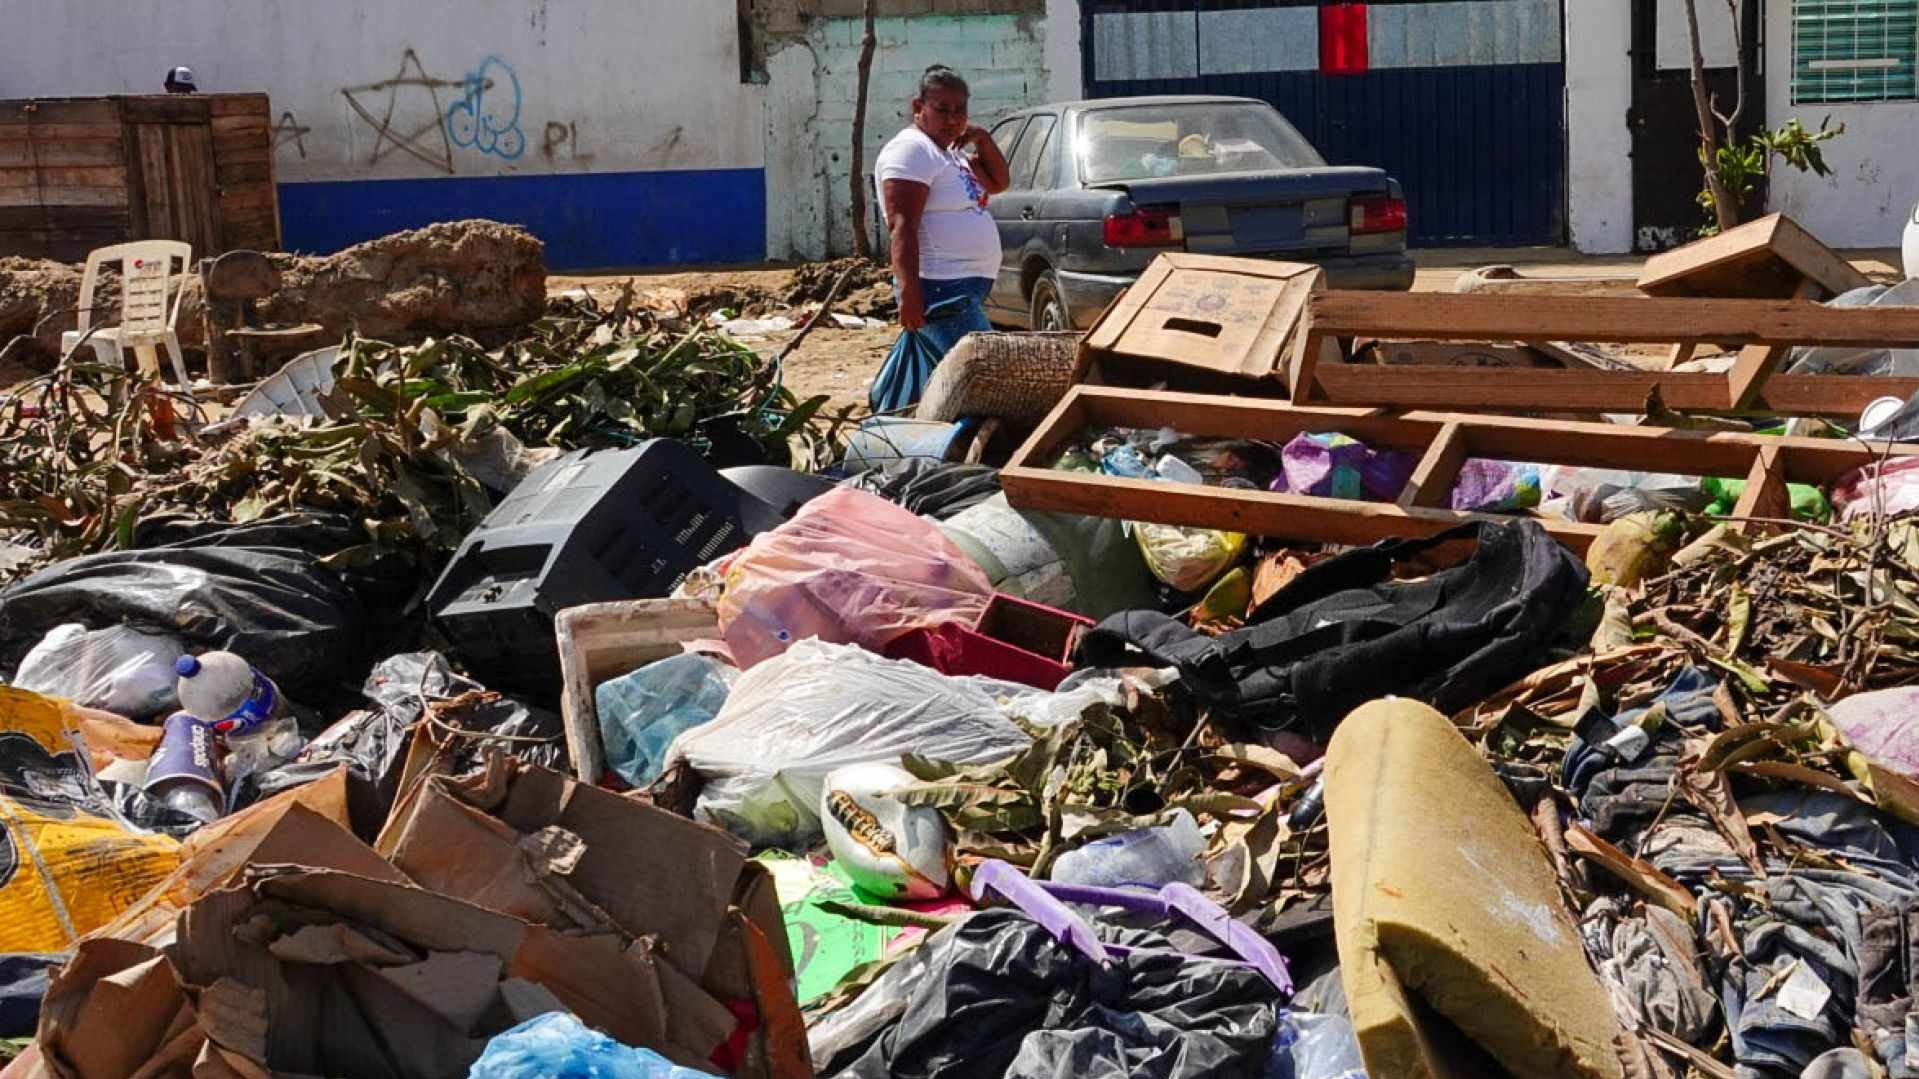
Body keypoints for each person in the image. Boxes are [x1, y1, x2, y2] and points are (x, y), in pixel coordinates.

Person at [875, 66, 1010, 347]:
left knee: (940, 367)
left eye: (960, 110)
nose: (952, 119)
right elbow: (902, 226)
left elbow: (998, 182)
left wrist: (982, 138)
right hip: (941, 287)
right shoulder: (912, 150)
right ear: (918, 107)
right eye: (942, 109)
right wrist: (909, 293)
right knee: (984, 362)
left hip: (962, 286)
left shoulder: (950, 153)